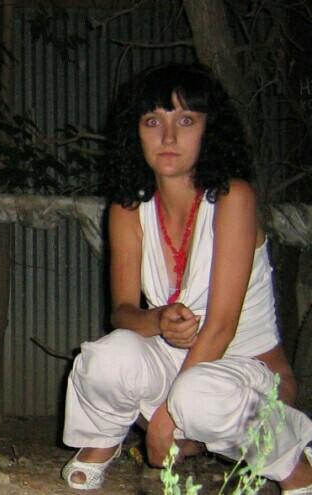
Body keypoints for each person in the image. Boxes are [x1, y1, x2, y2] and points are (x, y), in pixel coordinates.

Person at [61, 64, 312, 492]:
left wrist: (164, 420)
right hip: (176, 363)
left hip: (246, 370)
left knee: (197, 395)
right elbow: (122, 312)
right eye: (153, 121)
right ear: (135, 133)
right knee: (105, 358)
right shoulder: (128, 209)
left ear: (209, 130)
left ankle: (295, 467)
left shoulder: (233, 198)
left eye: (186, 121)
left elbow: (221, 327)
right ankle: (104, 440)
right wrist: (157, 320)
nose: (168, 137)